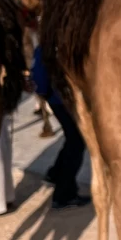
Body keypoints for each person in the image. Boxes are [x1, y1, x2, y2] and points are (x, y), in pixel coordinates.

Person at [30, 45, 90, 210]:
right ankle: (64, 194)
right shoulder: (54, 43)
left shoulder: (49, 42)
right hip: (62, 98)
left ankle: (55, 173)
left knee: (72, 137)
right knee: (76, 141)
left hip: (57, 98)